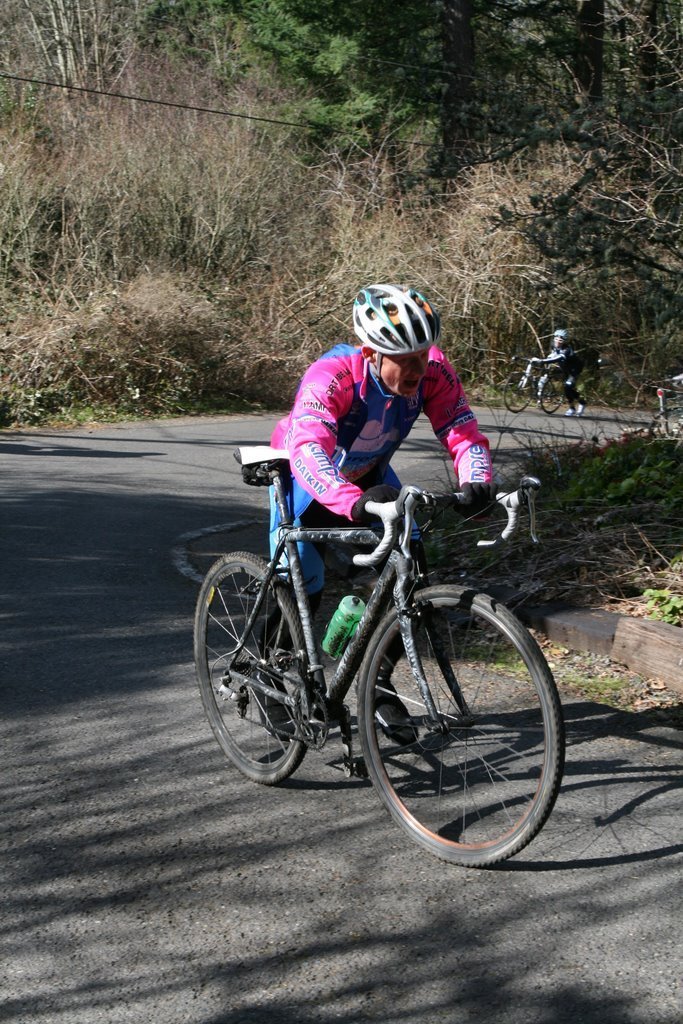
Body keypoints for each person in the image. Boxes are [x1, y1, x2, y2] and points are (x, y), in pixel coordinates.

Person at [268, 283, 496, 743]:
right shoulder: (331, 375)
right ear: (372, 353)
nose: (418, 368)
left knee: (409, 570)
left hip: (368, 475)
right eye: (405, 359)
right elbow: (309, 448)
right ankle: (271, 676)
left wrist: (477, 481)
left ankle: (377, 683)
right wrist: (348, 500)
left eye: (423, 354)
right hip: (306, 480)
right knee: (302, 584)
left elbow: (462, 430)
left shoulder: (433, 370)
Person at [546, 328, 586, 416]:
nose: (558, 342)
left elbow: (558, 358)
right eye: (556, 339)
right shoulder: (553, 345)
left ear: (564, 341)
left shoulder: (567, 349)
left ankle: (576, 406)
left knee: (568, 386)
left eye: (560, 340)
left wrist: (543, 361)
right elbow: (552, 355)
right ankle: (578, 404)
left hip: (574, 369)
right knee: (568, 389)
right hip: (565, 368)